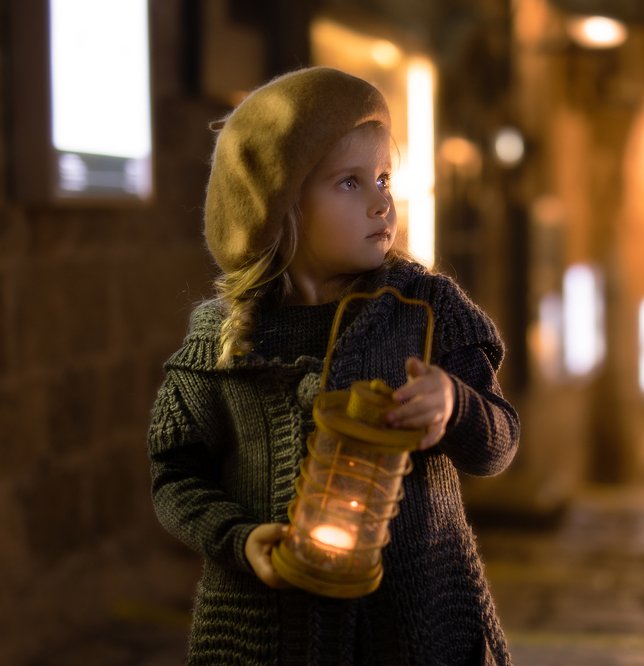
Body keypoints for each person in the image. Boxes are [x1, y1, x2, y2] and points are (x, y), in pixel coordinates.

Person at [147, 67, 519, 665]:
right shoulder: (224, 340)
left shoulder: (426, 310)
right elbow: (177, 475)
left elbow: (498, 444)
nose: (381, 201)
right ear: (279, 206)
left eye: (384, 178)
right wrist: (238, 539)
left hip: (418, 630)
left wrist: (455, 405)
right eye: (349, 182)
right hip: (266, 637)